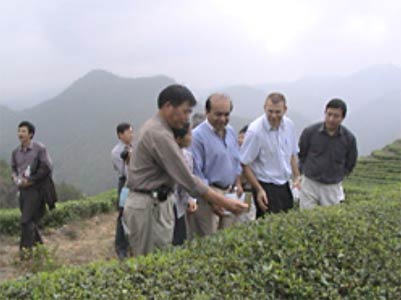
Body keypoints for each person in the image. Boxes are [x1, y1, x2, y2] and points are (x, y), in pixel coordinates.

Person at [123, 85, 248, 256]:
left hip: (157, 203)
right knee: (149, 261)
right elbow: (189, 180)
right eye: (185, 111)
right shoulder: (159, 134)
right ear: (168, 107)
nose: (186, 118)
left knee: (160, 255)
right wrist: (227, 203)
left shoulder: (159, 129)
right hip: (148, 206)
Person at [188, 93, 243, 238]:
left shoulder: (230, 132)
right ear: (207, 112)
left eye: (226, 114)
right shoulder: (197, 137)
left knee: (228, 240)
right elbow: (196, 173)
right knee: (209, 241)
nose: (222, 119)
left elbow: (236, 160)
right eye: (218, 114)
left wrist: (237, 184)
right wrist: (213, 200)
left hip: (230, 193)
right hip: (208, 196)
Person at [240, 93, 300, 218]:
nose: (273, 116)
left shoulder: (289, 126)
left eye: (278, 112)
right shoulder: (255, 131)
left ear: (285, 110)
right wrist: (259, 189)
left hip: (285, 184)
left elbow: (293, 153)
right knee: (269, 225)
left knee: (287, 223)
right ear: (264, 108)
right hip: (266, 185)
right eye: (270, 111)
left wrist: (297, 177)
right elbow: (244, 163)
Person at [298, 98, 357, 209]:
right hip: (310, 183)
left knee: (330, 218)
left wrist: (339, 175)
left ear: (342, 118)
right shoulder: (310, 132)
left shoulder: (349, 138)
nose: (331, 119)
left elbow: (350, 163)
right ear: (325, 113)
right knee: (306, 218)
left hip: (332, 186)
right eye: (329, 114)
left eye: (336, 116)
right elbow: (302, 154)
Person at [11, 121, 57, 257]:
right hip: (23, 189)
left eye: (23, 131)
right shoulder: (16, 152)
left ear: (30, 134)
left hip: (36, 189)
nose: (20, 134)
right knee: (30, 221)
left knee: (25, 220)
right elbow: (13, 168)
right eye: (19, 131)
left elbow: (46, 168)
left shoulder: (39, 149)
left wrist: (31, 180)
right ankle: (40, 248)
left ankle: (25, 254)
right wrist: (16, 179)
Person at [172, 122, 198, 245]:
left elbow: (189, 180)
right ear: (178, 138)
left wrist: (190, 199)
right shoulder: (167, 155)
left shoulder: (188, 155)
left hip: (180, 205)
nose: (191, 137)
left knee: (180, 238)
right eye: (189, 134)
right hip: (167, 203)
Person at [111, 123, 133, 259]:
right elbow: (123, 170)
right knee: (123, 212)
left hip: (139, 182)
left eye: (132, 131)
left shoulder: (136, 147)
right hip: (125, 184)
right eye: (129, 132)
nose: (132, 135)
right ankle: (121, 247)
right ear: (120, 135)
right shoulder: (116, 152)